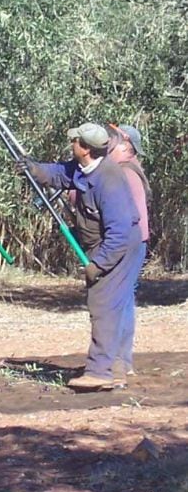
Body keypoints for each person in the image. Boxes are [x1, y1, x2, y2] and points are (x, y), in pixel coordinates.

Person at [20, 122, 141, 391]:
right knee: (113, 307)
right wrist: (34, 169)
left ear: (85, 148)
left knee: (103, 306)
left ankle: (100, 372)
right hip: (106, 244)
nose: (71, 145)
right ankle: (115, 369)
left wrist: (98, 264)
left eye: (74, 142)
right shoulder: (84, 167)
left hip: (117, 246)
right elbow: (60, 173)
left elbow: (119, 232)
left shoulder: (109, 180)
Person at [106, 124, 151, 384]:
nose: (108, 143)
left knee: (119, 300)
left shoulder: (124, 173)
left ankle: (119, 362)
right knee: (124, 299)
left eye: (113, 139)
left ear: (125, 146)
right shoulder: (128, 170)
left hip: (128, 243)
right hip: (134, 242)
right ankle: (122, 360)